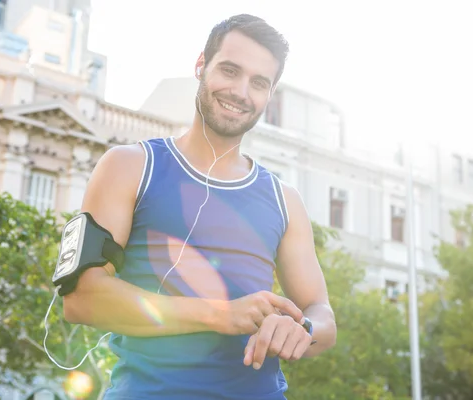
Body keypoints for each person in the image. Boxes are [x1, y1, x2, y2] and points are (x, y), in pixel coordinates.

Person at [63, 13, 336, 400]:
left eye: (259, 83)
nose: (241, 92)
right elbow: (80, 298)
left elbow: (322, 314)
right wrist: (220, 314)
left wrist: (302, 328)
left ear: (269, 95)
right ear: (200, 66)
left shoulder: (285, 199)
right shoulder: (128, 166)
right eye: (229, 70)